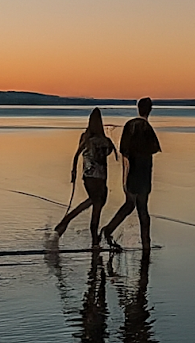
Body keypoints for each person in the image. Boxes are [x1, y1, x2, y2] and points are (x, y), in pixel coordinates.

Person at [101, 97, 162, 250]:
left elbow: (124, 150)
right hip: (142, 171)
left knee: (130, 204)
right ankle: (145, 243)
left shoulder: (130, 125)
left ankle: (109, 229)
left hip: (131, 170)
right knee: (141, 208)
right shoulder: (146, 127)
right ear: (150, 109)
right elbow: (154, 149)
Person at [53, 108, 118, 248]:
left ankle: (67, 223)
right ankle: (93, 240)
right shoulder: (102, 139)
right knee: (96, 206)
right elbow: (110, 152)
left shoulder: (87, 137)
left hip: (88, 176)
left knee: (94, 203)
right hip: (99, 178)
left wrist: (74, 171)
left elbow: (77, 153)